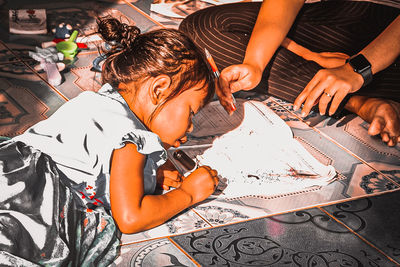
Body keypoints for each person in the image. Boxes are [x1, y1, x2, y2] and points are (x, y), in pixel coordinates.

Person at [0, 17, 218, 266]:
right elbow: (130, 217)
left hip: (13, 171)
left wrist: (149, 172)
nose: (190, 127)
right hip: (38, 204)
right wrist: (189, 194)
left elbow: (98, 162)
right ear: (158, 89)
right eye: (191, 112)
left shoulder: (98, 100)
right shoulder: (131, 139)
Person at [179, 0, 400, 146]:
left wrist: (358, 68)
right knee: (202, 29)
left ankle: (354, 87)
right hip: (350, 14)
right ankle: (358, 101)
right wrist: (255, 63)